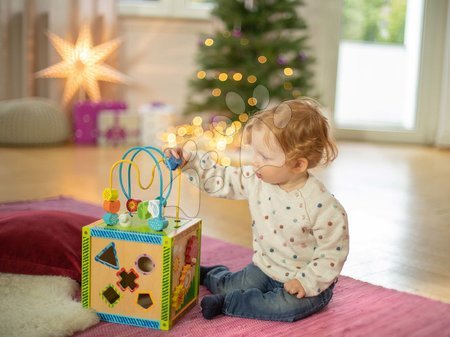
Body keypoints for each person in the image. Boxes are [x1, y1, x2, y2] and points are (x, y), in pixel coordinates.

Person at [165, 98, 349, 322]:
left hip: (306, 282)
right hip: (264, 268)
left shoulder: (323, 206)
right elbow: (222, 178)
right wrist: (190, 162)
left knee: (285, 308)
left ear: (298, 165)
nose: (254, 161)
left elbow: (332, 252)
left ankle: (229, 304)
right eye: (254, 153)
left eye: (264, 157)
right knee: (230, 284)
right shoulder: (257, 179)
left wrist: (307, 282)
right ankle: (209, 275)